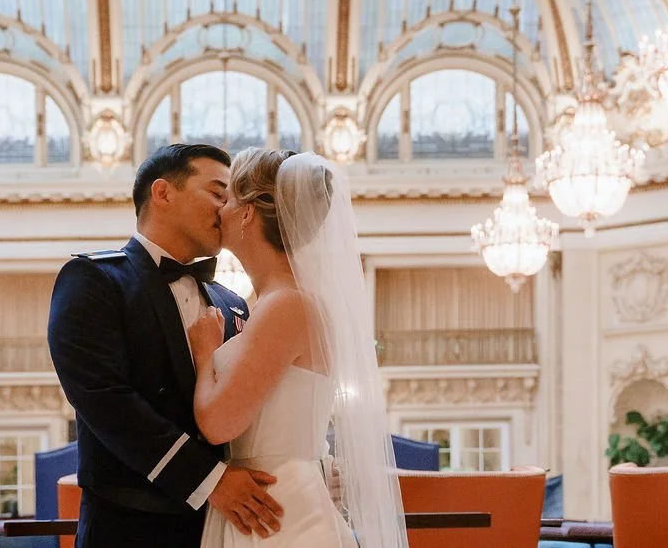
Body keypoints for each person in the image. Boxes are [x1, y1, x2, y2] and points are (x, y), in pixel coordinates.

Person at [47, 143, 286, 547]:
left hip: (227, 528)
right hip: (129, 529)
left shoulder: (232, 302)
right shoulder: (94, 280)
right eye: (217, 193)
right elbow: (107, 402)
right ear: (162, 193)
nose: (226, 209)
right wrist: (210, 481)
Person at [190, 149, 408, 548]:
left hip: (277, 511)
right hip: (267, 500)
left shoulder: (286, 305)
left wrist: (205, 356)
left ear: (248, 213)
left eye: (229, 198)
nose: (220, 209)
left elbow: (218, 424)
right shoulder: (277, 302)